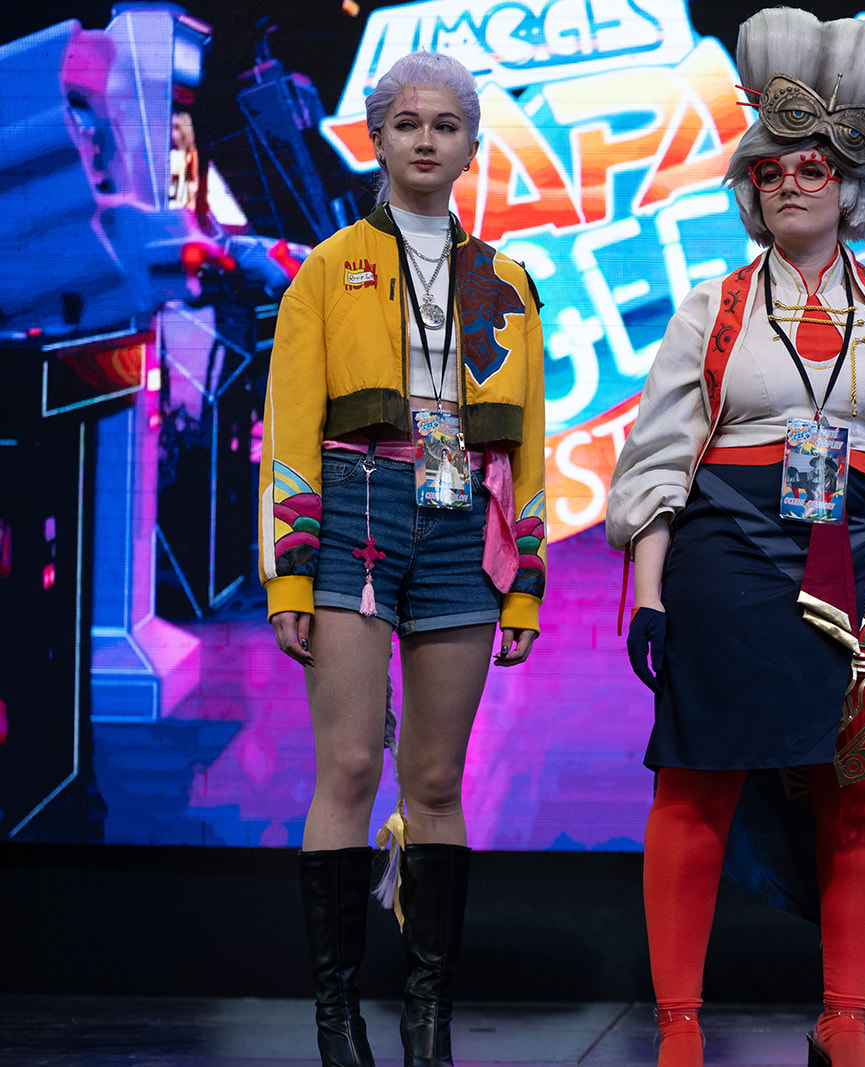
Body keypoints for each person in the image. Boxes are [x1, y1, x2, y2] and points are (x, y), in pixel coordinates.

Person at [604, 9, 865, 1067]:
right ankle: (679, 1027)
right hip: (726, 563)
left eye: (813, 166)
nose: (791, 181)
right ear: (750, 184)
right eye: (771, 166)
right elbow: (656, 460)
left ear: (849, 183)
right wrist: (649, 591)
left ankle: (843, 1019)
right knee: (696, 779)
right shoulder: (714, 308)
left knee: (861, 783)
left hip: (863, 558)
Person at [258, 51, 548, 1067]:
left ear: (471, 146)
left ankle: (428, 1023)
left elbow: (529, 442)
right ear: (376, 139)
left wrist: (527, 584)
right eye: (408, 123)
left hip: (463, 516)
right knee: (347, 763)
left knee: (433, 777)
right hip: (353, 509)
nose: (427, 139)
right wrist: (290, 569)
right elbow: (290, 425)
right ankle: (337, 1022)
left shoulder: (507, 278)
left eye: (447, 124)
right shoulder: (327, 268)